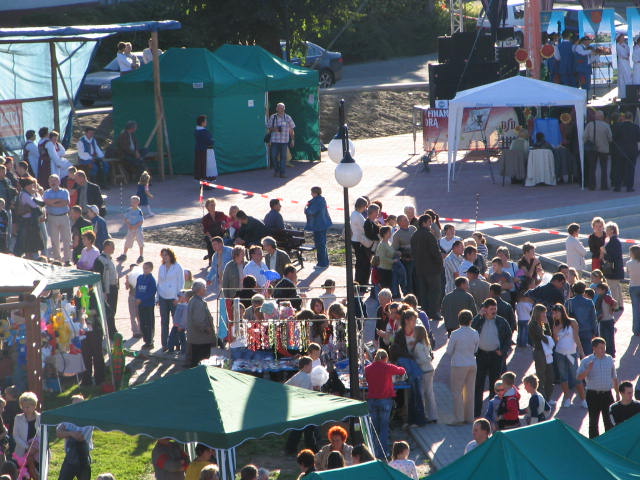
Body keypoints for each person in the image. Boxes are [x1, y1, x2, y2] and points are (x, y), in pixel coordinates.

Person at [472, 298, 512, 417]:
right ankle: (476, 412)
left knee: (495, 385)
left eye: (495, 308)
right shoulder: (479, 320)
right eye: (491, 309)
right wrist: (478, 316)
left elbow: (508, 337)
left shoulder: (501, 321)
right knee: (478, 384)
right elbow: (471, 328)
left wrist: (503, 351)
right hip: (481, 355)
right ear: (485, 310)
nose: (494, 311)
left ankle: (493, 412)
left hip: (496, 356)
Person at [578, 337, 619, 438]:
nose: (603, 350)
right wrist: (588, 370)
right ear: (594, 348)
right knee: (593, 421)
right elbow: (579, 377)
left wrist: (617, 393)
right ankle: (594, 441)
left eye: (604, 347)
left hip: (607, 394)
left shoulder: (609, 359)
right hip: (593, 395)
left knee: (609, 420)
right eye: (600, 348)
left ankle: (609, 441)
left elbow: (614, 377)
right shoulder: (586, 361)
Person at [446, 310, 479, 425]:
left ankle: (458, 418)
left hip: (458, 364)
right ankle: (469, 417)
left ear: (459, 320)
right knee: (470, 391)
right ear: (471, 320)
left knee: (457, 391)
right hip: (472, 363)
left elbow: (449, 351)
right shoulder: (475, 332)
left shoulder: (455, 334)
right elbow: (476, 349)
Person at [551, 303, 586, 408]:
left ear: (562, 312)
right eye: (554, 313)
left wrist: (581, 352)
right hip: (560, 353)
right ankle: (567, 398)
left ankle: (583, 399)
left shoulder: (572, 322)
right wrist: (555, 333)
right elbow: (556, 341)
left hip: (571, 353)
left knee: (576, 376)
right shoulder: (555, 324)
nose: (555, 315)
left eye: (557, 312)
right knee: (563, 376)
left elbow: (576, 337)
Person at [411, 214, 444, 320]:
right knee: (434, 291)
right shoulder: (429, 235)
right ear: (424, 223)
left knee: (423, 291)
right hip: (432, 269)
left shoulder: (415, 235)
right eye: (429, 222)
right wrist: (440, 264)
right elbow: (435, 252)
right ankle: (433, 312)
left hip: (420, 269)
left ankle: (424, 312)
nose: (431, 224)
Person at [284, 357, 318, 454]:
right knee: (308, 429)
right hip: (305, 407)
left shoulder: (297, 375)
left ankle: (290, 449)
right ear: (306, 366)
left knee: (298, 429)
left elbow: (285, 385)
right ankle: (312, 449)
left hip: (296, 405)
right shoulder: (306, 377)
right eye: (311, 365)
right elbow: (304, 393)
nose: (312, 367)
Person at [56, 395, 93, 480]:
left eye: (79, 405)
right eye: (74, 405)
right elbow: (58, 433)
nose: (76, 407)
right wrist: (71, 433)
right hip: (70, 457)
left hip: (83, 458)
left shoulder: (89, 419)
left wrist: (67, 433)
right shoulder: (67, 418)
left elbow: (80, 437)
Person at [157, 248, 185, 352]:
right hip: (163, 298)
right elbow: (159, 283)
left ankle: (176, 344)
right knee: (164, 322)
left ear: (171, 255)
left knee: (176, 322)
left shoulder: (177, 267)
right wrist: (157, 298)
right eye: (163, 255)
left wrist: (178, 297)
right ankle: (164, 344)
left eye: (166, 255)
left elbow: (181, 283)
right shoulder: (161, 267)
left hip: (174, 298)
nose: (164, 257)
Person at [528, 304, 555, 403]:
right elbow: (543, 338)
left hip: (546, 352)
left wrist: (546, 324)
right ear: (538, 313)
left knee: (550, 375)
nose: (545, 315)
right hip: (539, 352)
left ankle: (548, 397)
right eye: (543, 313)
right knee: (541, 376)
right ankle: (542, 398)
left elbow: (549, 335)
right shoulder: (533, 324)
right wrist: (549, 340)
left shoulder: (542, 323)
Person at [43, 174, 72, 264]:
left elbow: (66, 202)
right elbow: (47, 202)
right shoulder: (46, 192)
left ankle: (67, 259)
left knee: (67, 239)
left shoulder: (65, 191)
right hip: (52, 217)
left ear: (59, 182)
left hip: (64, 216)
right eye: (51, 181)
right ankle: (57, 259)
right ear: (48, 182)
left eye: (55, 180)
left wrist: (53, 202)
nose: (53, 182)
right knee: (54, 240)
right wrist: (58, 200)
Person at [187, 280, 216, 367]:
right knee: (201, 362)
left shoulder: (193, 300)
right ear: (200, 290)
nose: (206, 289)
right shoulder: (198, 303)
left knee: (195, 361)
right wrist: (207, 329)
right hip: (201, 339)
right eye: (204, 288)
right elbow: (198, 321)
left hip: (196, 338)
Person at [14, 177, 45, 258]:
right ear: (27, 186)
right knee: (27, 243)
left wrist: (35, 193)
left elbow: (41, 203)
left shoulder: (30, 194)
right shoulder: (24, 194)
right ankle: (27, 257)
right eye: (32, 185)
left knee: (31, 243)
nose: (33, 187)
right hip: (27, 222)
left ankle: (31, 257)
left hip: (31, 221)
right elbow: (34, 205)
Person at [94, 239, 119, 337]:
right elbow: (99, 277)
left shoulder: (110, 259)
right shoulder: (100, 260)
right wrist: (103, 291)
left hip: (113, 288)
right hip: (107, 290)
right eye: (112, 246)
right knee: (109, 311)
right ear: (107, 247)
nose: (114, 248)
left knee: (113, 310)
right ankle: (111, 332)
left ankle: (112, 330)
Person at [413, 325, 437, 423]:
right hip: (430, 369)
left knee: (422, 393)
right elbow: (429, 357)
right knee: (430, 393)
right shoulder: (426, 343)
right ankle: (433, 415)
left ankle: (424, 415)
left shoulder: (418, 345)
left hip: (424, 370)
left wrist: (415, 361)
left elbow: (423, 359)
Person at [304, 186, 332, 269]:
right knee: (323, 244)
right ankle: (325, 262)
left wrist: (306, 209)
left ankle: (322, 263)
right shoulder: (321, 200)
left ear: (315, 193)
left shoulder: (317, 201)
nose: (311, 194)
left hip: (318, 226)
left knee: (320, 245)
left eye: (312, 192)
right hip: (323, 224)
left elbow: (311, 211)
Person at [611, 111, 640, 192]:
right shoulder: (636, 127)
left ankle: (618, 186)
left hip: (620, 150)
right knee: (630, 169)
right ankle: (629, 187)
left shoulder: (618, 127)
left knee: (619, 169)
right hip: (632, 150)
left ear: (624, 118)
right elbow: (638, 138)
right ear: (631, 118)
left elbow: (613, 138)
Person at [584, 110, 612, 191]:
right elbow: (610, 138)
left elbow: (584, 137)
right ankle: (604, 186)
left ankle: (592, 186)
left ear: (595, 117)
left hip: (592, 149)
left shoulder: (589, 125)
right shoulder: (606, 125)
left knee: (592, 168)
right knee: (604, 168)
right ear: (602, 117)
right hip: (604, 149)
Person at [268, 103, 295, 178]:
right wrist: (275, 129)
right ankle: (277, 170)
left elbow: (291, 129)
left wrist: (292, 140)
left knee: (283, 158)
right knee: (273, 156)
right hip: (275, 141)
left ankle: (282, 173)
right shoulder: (273, 117)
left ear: (284, 109)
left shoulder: (288, 117)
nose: (281, 109)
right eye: (279, 108)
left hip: (284, 141)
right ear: (276, 109)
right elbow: (269, 128)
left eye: (282, 108)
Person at [602, 221, 624, 309]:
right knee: (617, 287)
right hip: (617, 268)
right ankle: (620, 304)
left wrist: (604, 252)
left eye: (607, 229)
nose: (605, 231)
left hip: (613, 269)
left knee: (613, 288)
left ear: (612, 230)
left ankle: (616, 306)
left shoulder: (613, 242)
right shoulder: (615, 241)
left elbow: (611, 256)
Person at [136, 261, 157, 350]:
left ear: (151, 269)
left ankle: (150, 341)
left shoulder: (151, 280)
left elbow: (151, 292)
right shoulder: (140, 277)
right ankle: (145, 339)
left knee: (149, 323)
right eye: (144, 268)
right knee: (142, 322)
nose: (145, 270)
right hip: (140, 304)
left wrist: (141, 299)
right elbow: (137, 289)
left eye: (146, 268)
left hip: (148, 304)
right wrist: (137, 298)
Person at [13, 391, 40, 459]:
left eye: (27, 407)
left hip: (38, 451)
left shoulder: (40, 418)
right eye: (23, 407)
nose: (25, 409)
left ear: (34, 406)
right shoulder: (18, 418)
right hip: (23, 450)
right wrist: (27, 447)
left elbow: (44, 435)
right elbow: (16, 436)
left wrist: (35, 448)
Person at [201, 198, 229, 265]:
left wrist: (225, 225)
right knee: (209, 241)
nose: (213, 206)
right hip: (211, 234)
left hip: (220, 234)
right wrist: (211, 238)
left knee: (223, 240)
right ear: (207, 207)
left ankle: (223, 258)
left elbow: (228, 219)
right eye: (211, 205)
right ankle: (211, 259)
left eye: (214, 205)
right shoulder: (205, 218)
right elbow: (206, 230)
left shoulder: (220, 214)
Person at [351, 197, 371, 289]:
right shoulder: (358, 216)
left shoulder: (354, 213)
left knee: (360, 263)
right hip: (359, 241)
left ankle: (359, 283)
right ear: (363, 206)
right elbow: (365, 228)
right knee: (364, 263)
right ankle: (362, 284)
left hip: (355, 239)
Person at [118, 195, 144, 264]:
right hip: (130, 228)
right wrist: (129, 224)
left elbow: (141, 221)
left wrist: (136, 226)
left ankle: (141, 256)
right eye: (132, 202)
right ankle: (124, 254)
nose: (133, 203)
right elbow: (125, 218)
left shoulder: (139, 211)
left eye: (135, 202)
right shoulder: (128, 210)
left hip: (138, 229)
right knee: (128, 241)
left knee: (140, 241)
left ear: (138, 203)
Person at [594, 283, 617, 357]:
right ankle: (606, 351)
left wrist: (611, 309)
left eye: (598, 289)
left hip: (608, 320)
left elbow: (614, 303)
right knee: (603, 337)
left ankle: (611, 352)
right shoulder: (599, 298)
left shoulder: (606, 297)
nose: (597, 290)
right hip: (602, 320)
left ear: (603, 290)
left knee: (609, 338)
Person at [194, 114, 215, 182]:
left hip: (199, 150)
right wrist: (212, 141)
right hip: (204, 151)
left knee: (201, 167)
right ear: (202, 123)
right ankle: (206, 182)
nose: (206, 122)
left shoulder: (197, 131)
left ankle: (202, 181)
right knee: (205, 167)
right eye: (205, 121)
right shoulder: (203, 132)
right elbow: (209, 141)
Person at [627, 244, 640, 336]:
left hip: (633, 286)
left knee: (635, 310)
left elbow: (628, 272)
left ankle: (636, 329)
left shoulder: (629, 263)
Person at [617, 34, 632, 98]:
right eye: (622, 37)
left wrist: (627, 55)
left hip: (626, 62)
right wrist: (624, 57)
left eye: (623, 37)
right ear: (619, 38)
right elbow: (620, 54)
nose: (623, 38)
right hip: (621, 62)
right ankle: (622, 94)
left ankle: (629, 93)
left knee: (628, 76)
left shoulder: (625, 45)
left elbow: (628, 51)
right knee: (622, 77)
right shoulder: (617, 45)